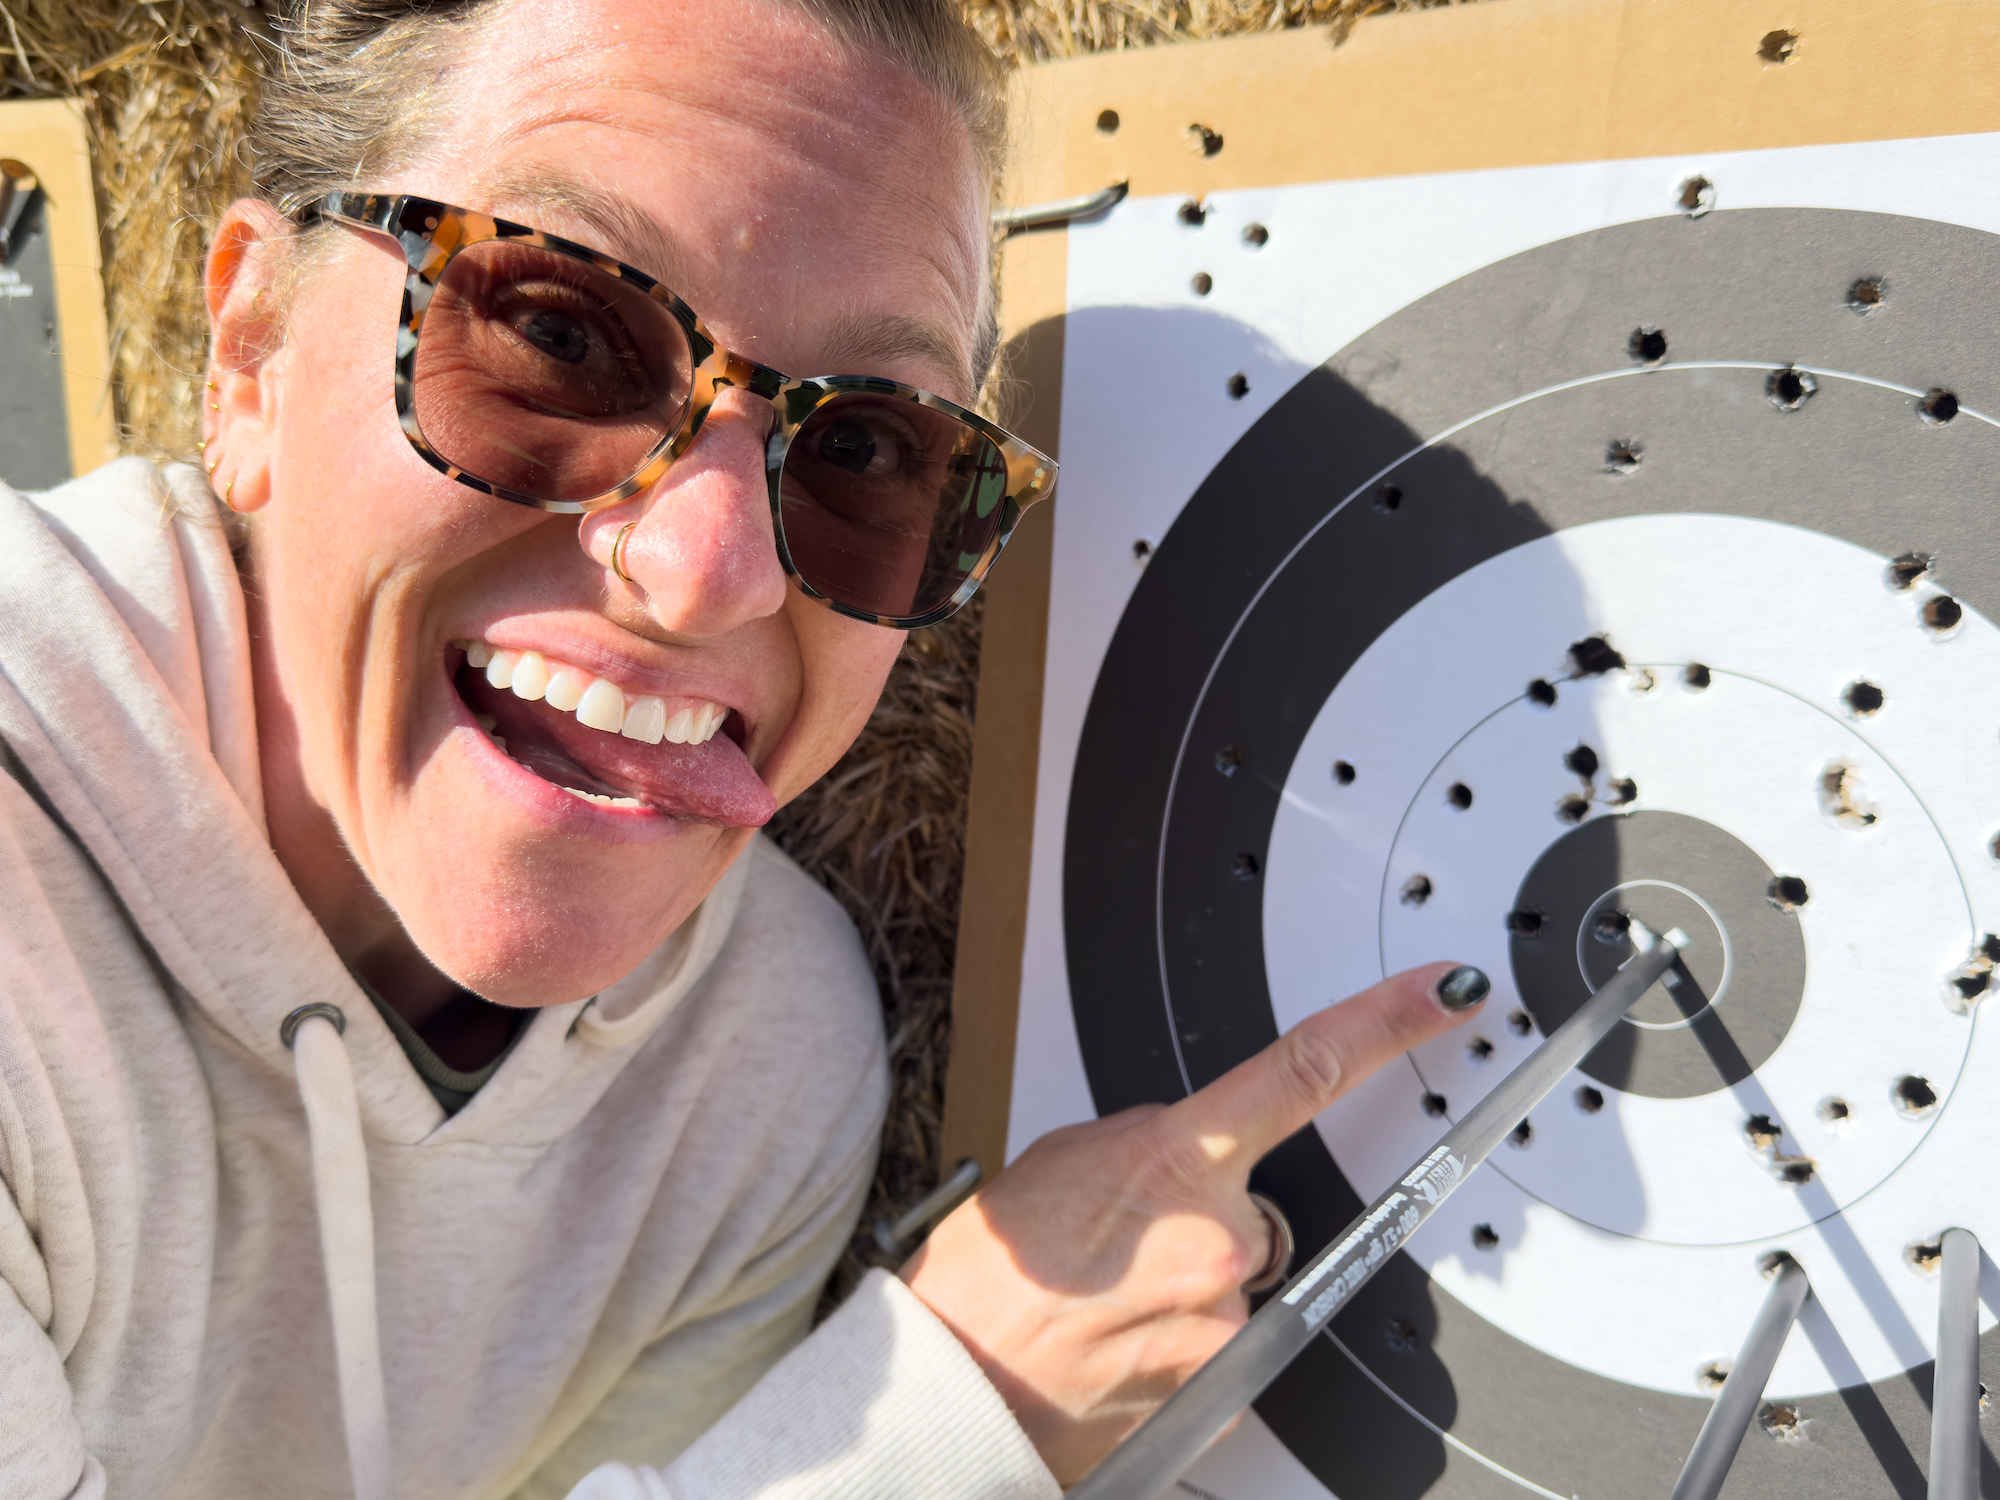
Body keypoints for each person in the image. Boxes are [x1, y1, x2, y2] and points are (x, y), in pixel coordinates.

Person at [0, 0, 1488, 1495]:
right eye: (558, 332)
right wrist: (948, 1421)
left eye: (864, 450)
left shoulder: (766, 1063)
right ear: (251, 348)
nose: (715, 569)